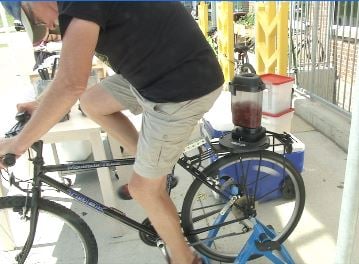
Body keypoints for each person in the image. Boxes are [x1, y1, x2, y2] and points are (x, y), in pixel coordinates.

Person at [0, 2, 224, 264]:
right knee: (92, 102)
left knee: (144, 190)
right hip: (160, 68)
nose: (48, 27)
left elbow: (71, 83)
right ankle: (153, 170)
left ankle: (185, 258)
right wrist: (41, 107)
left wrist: (18, 144)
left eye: (37, 20)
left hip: (181, 87)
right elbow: (70, 74)